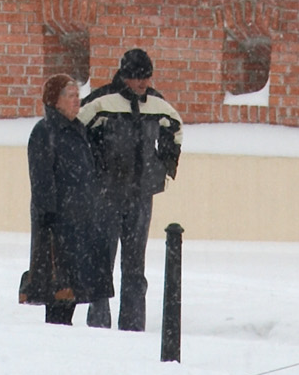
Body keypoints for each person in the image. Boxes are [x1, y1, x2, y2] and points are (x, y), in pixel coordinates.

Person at [77, 47, 183, 331]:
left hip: (141, 194)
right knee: (103, 260)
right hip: (105, 194)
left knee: (135, 265)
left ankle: (133, 326)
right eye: (137, 78)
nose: (143, 84)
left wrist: (164, 166)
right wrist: (91, 168)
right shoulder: (101, 101)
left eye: (147, 78)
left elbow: (175, 128)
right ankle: (99, 324)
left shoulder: (157, 104)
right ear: (125, 76)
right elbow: (77, 133)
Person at [25, 74, 114, 324]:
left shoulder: (79, 130)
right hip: (58, 224)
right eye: (71, 96)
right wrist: (49, 216)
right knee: (57, 288)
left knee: (74, 287)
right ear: (55, 100)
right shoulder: (44, 132)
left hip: (82, 221)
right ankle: (56, 334)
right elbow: (41, 177)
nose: (77, 101)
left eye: (78, 96)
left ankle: (63, 331)